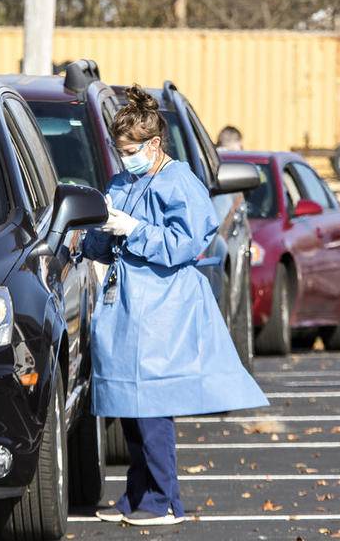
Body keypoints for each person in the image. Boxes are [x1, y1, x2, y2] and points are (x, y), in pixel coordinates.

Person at [83, 85, 268, 527]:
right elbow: (104, 242)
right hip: (124, 302)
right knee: (128, 406)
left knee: (152, 404)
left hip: (161, 305)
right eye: (118, 149)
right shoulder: (123, 180)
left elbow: (185, 244)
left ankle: (165, 500)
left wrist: (133, 230)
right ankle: (136, 495)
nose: (123, 156)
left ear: (153, 143)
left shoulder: (179, 181)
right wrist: (98, 231)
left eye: (129, 149)